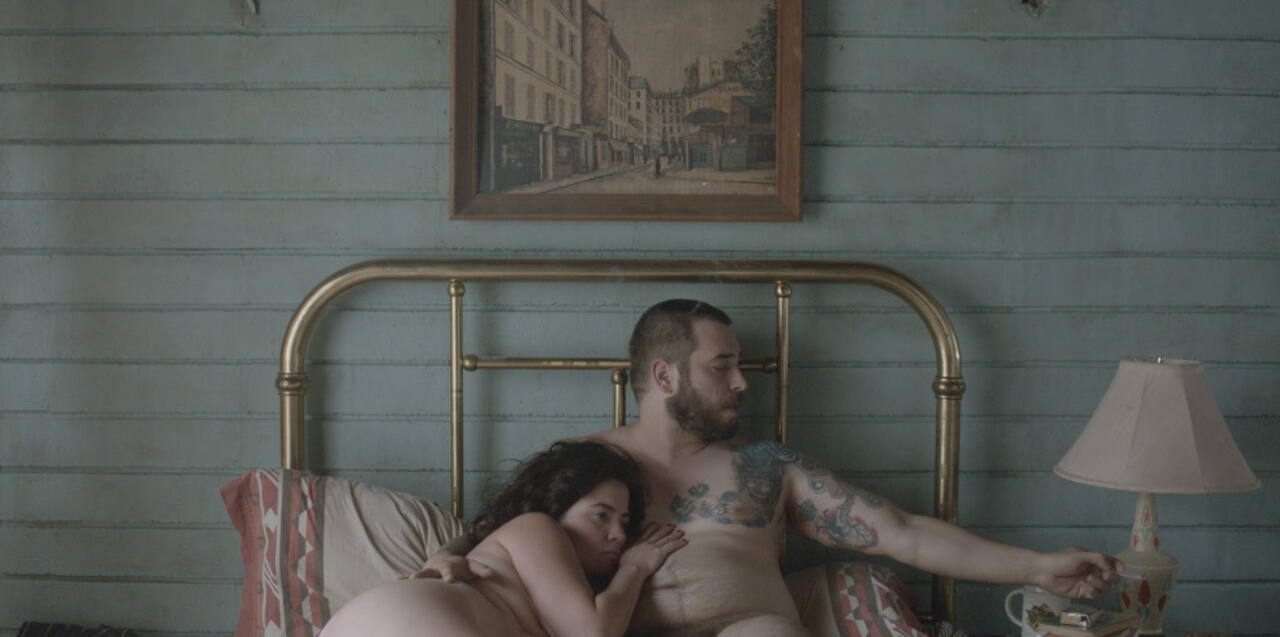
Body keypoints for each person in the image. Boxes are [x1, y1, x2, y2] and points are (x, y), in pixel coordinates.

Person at [417, 300, 1124, 637]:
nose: (741, 384)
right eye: (721, 366)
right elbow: (503, 532)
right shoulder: (588, 467)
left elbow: (903, 534)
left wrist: (1036, 567)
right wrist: (445, 559)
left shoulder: (765, 466)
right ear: (663, 375)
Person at [322, 440, 687, 637]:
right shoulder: (538, 526)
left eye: (624, 521)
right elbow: (594, 634)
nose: (618, 534)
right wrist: (635, 568)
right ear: (555, 507)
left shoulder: (577, 592)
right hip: (407, 620)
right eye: (600, 515)